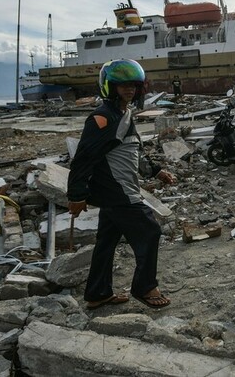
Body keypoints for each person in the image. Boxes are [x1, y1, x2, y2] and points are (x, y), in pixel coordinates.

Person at [67, 59, 176, 309]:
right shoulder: (101, 118)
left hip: (118, 189)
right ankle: (145, 287)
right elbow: (83, 158)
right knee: (150, 230)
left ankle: (97, 293)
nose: (129, 90)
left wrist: (156, 171)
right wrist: (76, 195)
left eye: (133, 86)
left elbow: (133, 149)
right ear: (110, 87)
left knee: (107, 240)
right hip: (117, 191)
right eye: (122, 85)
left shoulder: (124, 114)